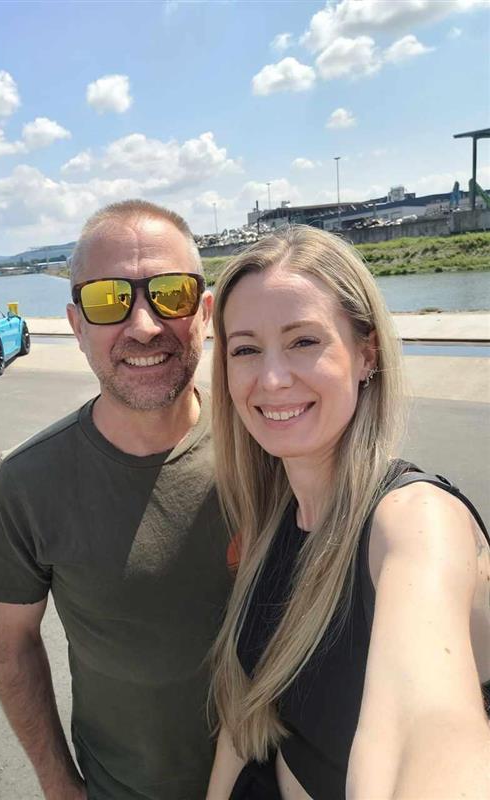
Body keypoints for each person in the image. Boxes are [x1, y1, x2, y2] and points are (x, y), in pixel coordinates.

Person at [206, 226, 490, 799]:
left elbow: (424, 729)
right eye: (246, 349)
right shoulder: (276, 519)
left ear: (366, 355)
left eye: (304, 341)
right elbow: (245, 721)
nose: (272, 378)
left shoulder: (415, 520)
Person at [0, 200, 232, 800]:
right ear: (76, 324)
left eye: (170, 294)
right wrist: (59, 785)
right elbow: (12, 645)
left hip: (281, 780)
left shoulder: (268, 447)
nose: (143, 325)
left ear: (204, 312)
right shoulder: (25, 485)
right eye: (109, 299)